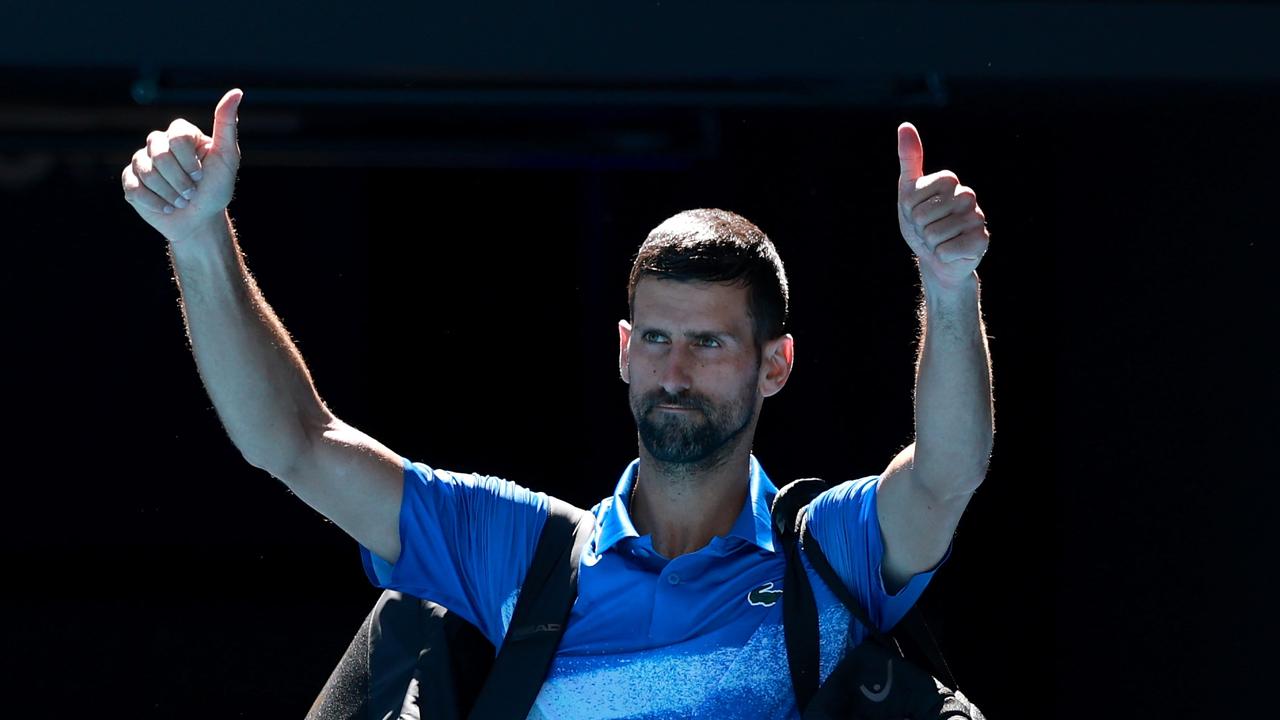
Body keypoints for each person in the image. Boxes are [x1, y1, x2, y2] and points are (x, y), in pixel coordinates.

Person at [122, 88, 994, 717]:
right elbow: (296, 442)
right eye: (655, 338)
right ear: (623, 350)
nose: (675, 370)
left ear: (776, 366)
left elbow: (947, 474)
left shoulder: (825, 557)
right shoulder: (518, 555)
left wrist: (949, 287)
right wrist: (198, 239)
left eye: (710, 342)